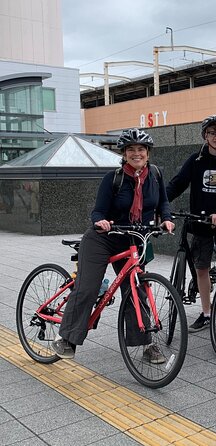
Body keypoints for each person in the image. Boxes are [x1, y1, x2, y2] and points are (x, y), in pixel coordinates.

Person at [53, 128, 175, 361]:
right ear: (124, 153)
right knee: (88, 287)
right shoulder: (114, 178)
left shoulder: (156, 176)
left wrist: (167, 219)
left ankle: (146, 344)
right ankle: (66, 338)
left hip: (133, 239)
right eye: (131, 149)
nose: (136, 153)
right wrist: (100, 221)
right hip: (103, 238)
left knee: (136, 290)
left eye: (141, 149)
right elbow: (98, 210)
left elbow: (163, 204)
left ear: (148, 153)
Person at [167, 115, 216, 333]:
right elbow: (178, 183)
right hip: (200, 223)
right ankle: (206, 313)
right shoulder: (196, 161)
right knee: (202, 268)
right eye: (212, 133)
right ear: (205, 136)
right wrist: (160, 204)